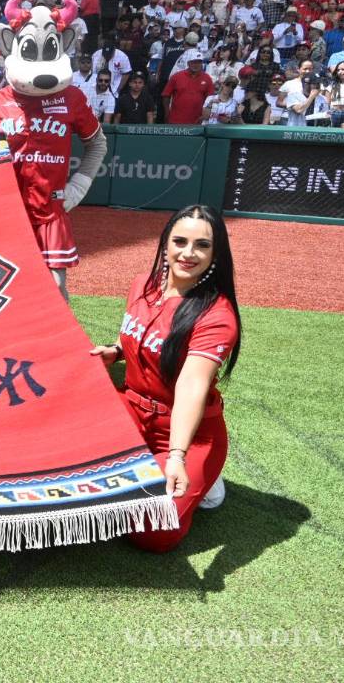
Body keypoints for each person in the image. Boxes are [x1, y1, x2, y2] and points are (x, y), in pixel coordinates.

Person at [90, 204, 241, 551]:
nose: (188, 253)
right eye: (180, 241)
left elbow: (192, 385)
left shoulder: (217, 315)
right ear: (166, 243)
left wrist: (177, 455)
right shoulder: (142, 285)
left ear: (216, 253)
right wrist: (115, 351)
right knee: (67, 460)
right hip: (128, 410)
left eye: (202, 245)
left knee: (153, 533)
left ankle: (203, 479)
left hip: (186, 432)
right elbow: (139, 336)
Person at [162, 50, 214, 124]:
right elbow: (166, 95)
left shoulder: (207, 78)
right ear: (188, 63)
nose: (196, 65)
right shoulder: (176, 76)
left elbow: (210, 99)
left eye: (199, 62)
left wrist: (205, 115)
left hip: (197, 121)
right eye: (193, 62)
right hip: (176, 120)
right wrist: (167, 112)